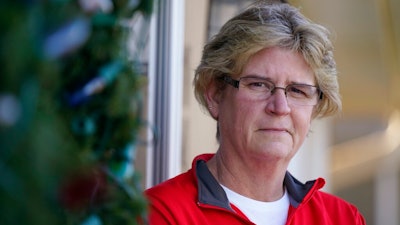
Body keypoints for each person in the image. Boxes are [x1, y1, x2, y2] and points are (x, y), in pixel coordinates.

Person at [145, 1, 366, 224]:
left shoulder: (343, 218)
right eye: (259, 85)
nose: (280, 107)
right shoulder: (161, 214)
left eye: (298, 90)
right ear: (215, 95)